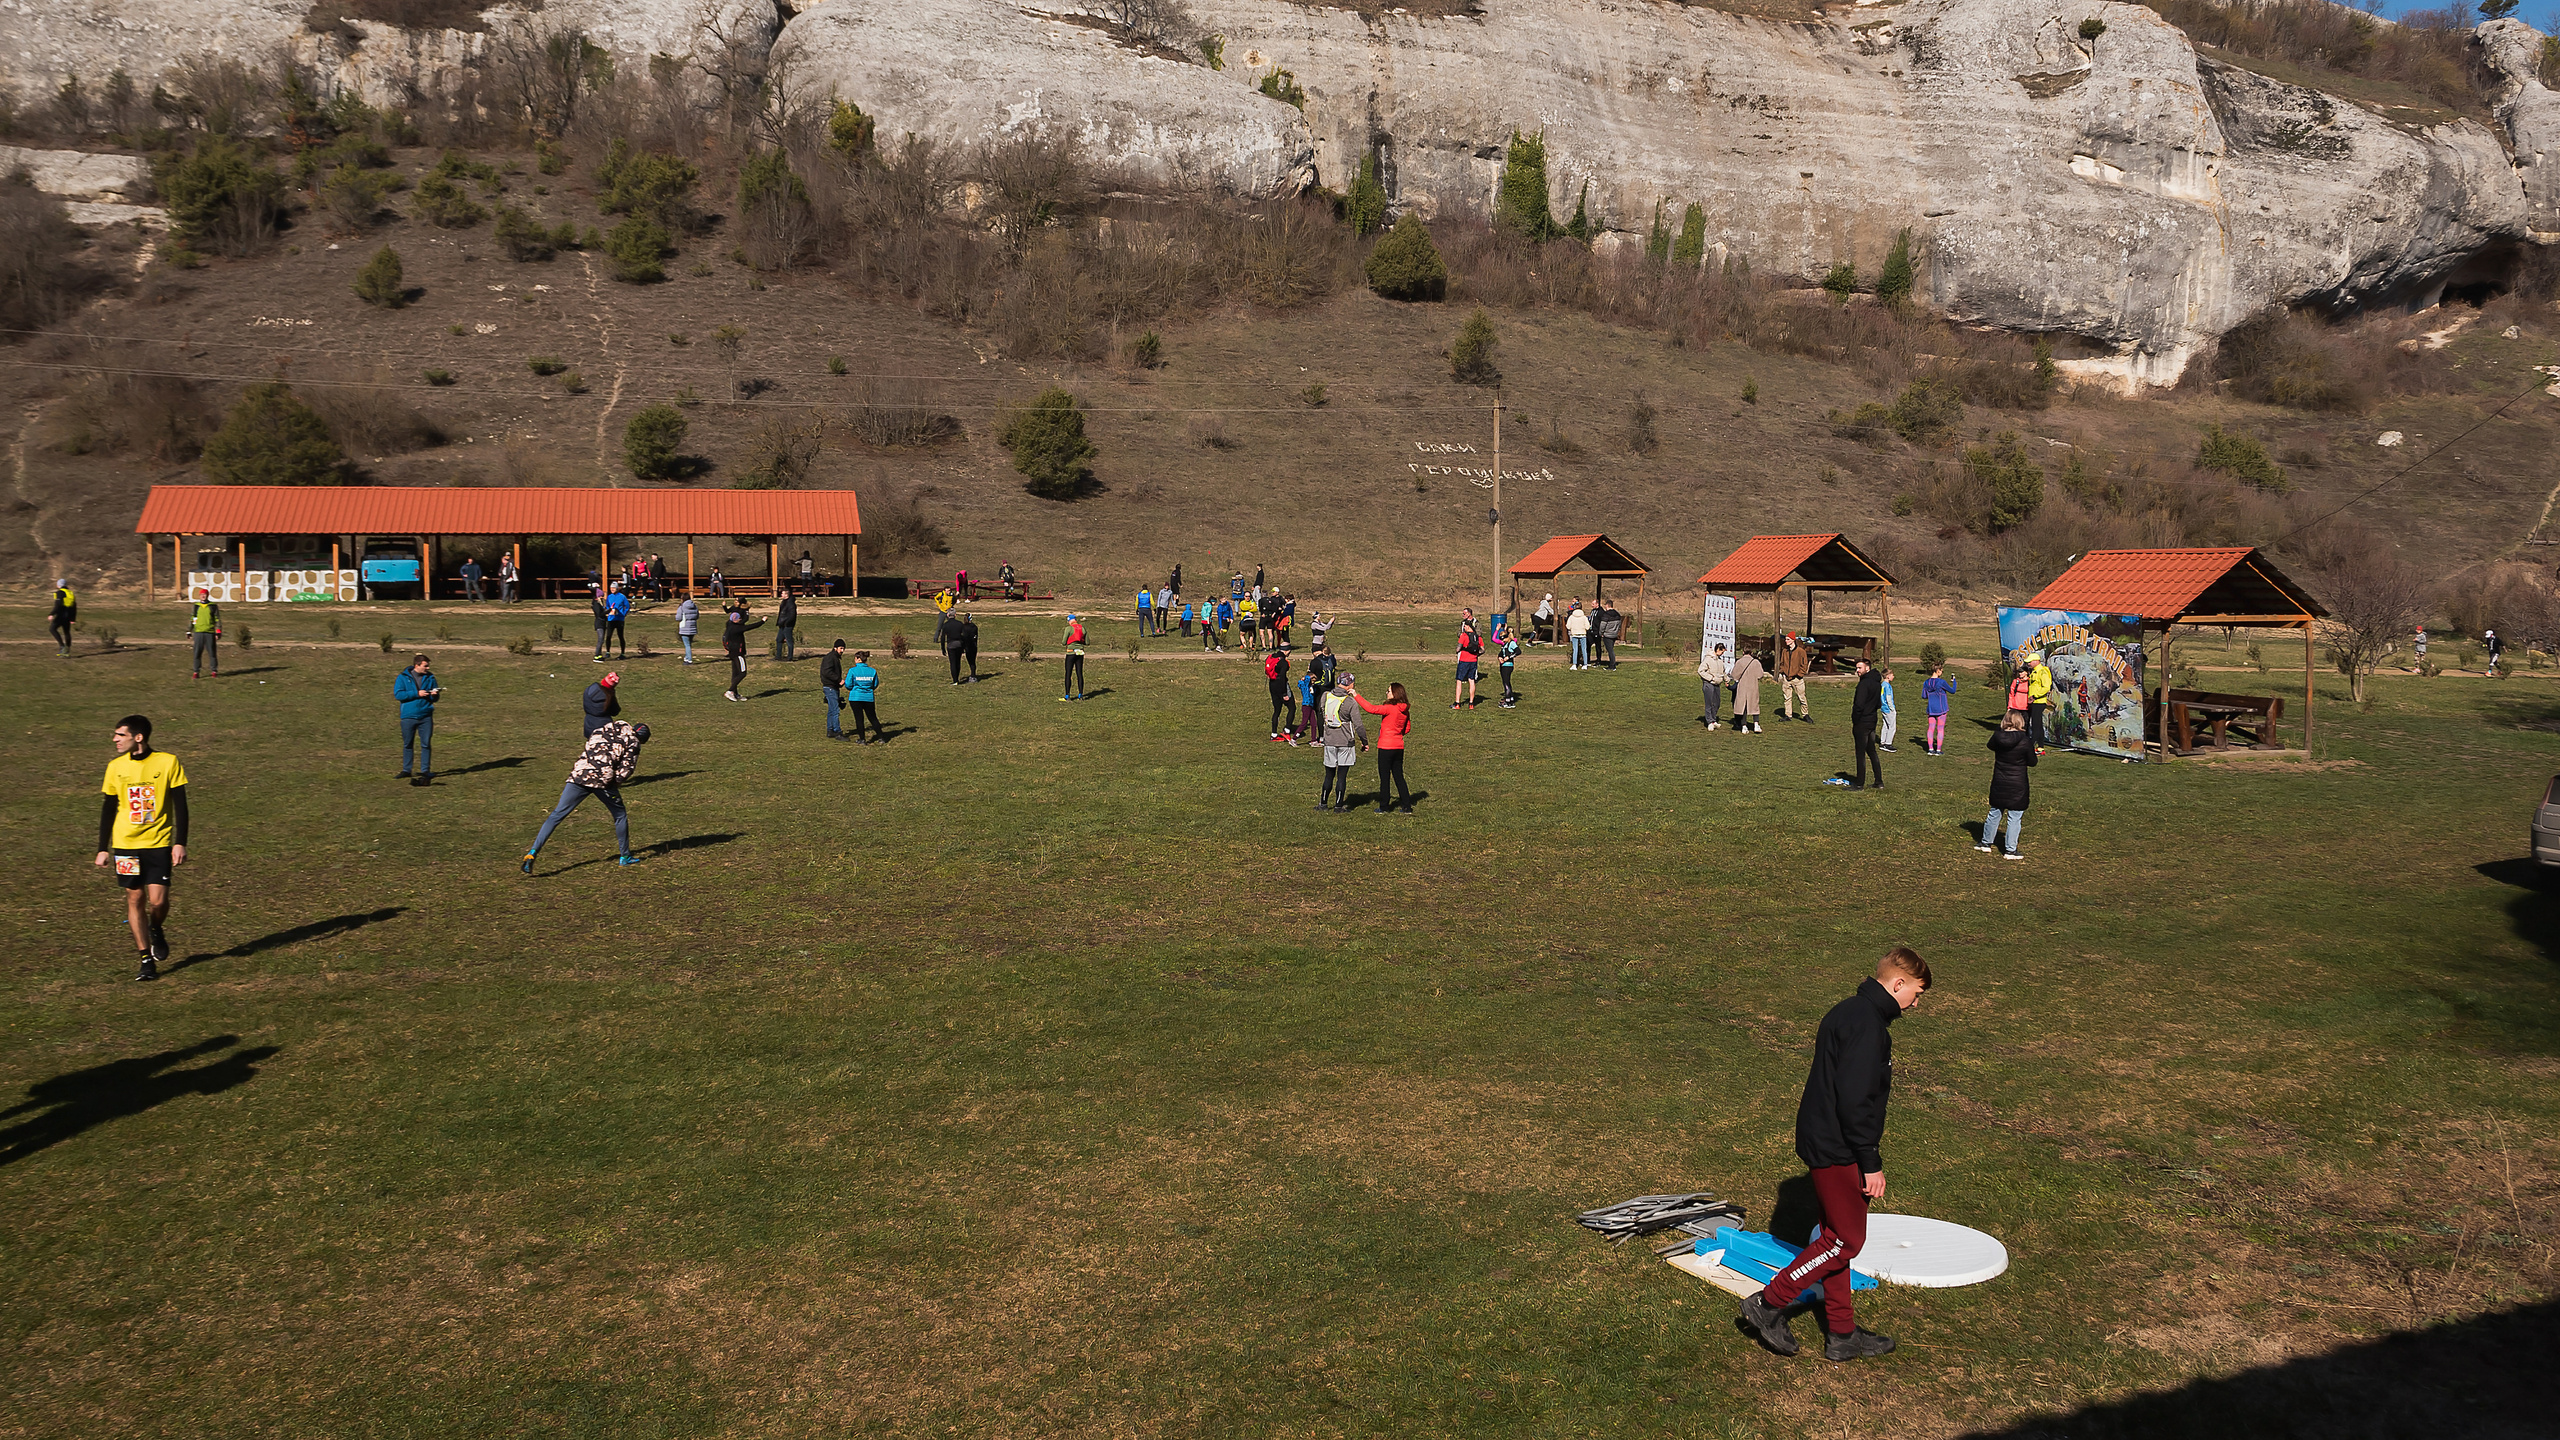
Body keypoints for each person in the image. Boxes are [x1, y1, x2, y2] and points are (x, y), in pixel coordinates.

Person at [1736, 946, 1932, 1364]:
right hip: (1838, 1146)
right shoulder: (1868, 1027)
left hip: (1825, 1138)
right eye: (1915, 994)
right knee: (1845, 1240)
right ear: (1898, 984)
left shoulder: (1848, 1011)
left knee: (1834, 1236)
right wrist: (1870, 1162)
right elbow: (1856, 1102)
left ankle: (1841, 1333)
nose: (1916, 1004)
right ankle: (1769, 1304)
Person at [96, 714, 189, 980]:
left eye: (120, 735)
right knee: (134, 897)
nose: (114, 739)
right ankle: (146, 959)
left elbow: (181, 806)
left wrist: (180, 842)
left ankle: (156, 928)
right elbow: (109, 807)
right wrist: (103, 847)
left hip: (158, 843)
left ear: (138, 737)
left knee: (158, 902)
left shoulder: (168, 762)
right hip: (125, 845)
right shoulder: (115, 767)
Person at [520, 720, 651, 873]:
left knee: (557, 815)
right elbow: (627, 768)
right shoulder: (634, 742)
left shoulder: (604, 729)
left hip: (579, 775)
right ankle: (625, 856)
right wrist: (615, 782)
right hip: (603, 781)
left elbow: (590, 745)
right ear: (641, 737)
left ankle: (532, 852)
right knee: (619, 815)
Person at [1980, 708, 2036, 858]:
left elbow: (1990, 745)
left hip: (2000, 780)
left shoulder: (1997, 737)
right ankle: (2010, 849)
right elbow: (2033, 762)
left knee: (1995, 812)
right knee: (2015, 816)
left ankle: (1986, 843)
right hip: (2017, 783)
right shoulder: (2024, 741)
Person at [1353, 679, 1414, 814]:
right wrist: (1398, 733)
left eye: (1389, 691)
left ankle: (1384, 806)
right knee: (1399, 776)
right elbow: (1407, 728)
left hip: (1386, 746)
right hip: (1398, 746)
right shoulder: (1405, 710)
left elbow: (1371, 709)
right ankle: (1407, 806)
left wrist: (1356, 695)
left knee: (1385, 777)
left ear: (1395, 694)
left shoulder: (1389, 708)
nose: (1387, 693)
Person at [1314, 672, 1367, 812]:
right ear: (1349, 684)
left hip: (1329, 740)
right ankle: (1338, 805)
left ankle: (1323, 803)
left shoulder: (1326, 696)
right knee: (1341, 775)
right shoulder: (1350, 702)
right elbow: (1359, 725)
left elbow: (1321, 711)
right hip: (1345, 741)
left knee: (1329, 774)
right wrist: (1364, 741)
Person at [395, 653, 440, 785]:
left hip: (425, 716)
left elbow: (435, 699)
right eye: (425, 666)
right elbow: (398, 694)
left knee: (426, 744)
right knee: (408, 744)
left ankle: (425, 770)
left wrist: (434, 695)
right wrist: (417, 694)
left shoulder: (430, 677)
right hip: (408, 716)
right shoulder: (403, 678)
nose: (428, 668)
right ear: (417, 665)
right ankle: (406, 769)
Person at [1848, 660, 1884, 790]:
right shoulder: (1877, 683)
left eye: (1860, 668)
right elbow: (1879, 704)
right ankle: (1878, 781)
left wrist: (1855, 719)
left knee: (1860, 753)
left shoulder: (1864, 684)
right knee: (1871, 751)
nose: (1857, 670)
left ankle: (1859, 783)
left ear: (1867, 668)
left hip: (1862, 722)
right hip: (1872, 720)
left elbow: (1859, 704)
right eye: (1856, 668)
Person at [722, 602, 760, 702]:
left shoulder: (730, 625)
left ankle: (735, 693)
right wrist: (762, 621)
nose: (741, 620)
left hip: (732, 653)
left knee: (735, 674)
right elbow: (750, 626)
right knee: (743, 672)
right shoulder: (737, 628)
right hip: (738, 653)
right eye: (739, 618)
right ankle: (730, 691)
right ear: (736, 620)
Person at [845, 649, 884, 742]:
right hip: (869, 697)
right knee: (873, 717)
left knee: (859, 719)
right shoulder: (872, 671)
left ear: (858, 659)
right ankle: (881, 737)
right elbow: (875, 684)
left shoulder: (852, 670)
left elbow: (848, 684)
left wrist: (853, 688)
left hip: (856, 697)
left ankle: (862, 739)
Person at [1922, 664, 1956, 756]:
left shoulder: (1926, 682)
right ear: (1938, 671)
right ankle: (1938, 750)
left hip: (1931, 708)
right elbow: (1952, 691)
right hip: (1941, 708)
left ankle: (1930, 749)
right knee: (1940, 729)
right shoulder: (1941, 682)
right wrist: (1954, 682)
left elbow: (1924, 696)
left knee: (1930, 728)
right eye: (1941, 671)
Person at [1730, 645, 1766, 733]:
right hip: (1753, 686)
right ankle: (1756, 724)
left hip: (1742, 687)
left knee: (1743, 707)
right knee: (1754, 705)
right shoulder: (1756, 662)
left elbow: (1734, 675)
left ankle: (1744, 725)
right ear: (1751, 652)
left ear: (1743, 652)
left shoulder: (1739, 662)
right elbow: (1760, 675)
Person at [1778, 633, 1812, 723]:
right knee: (1787, 698)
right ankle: (1788, 715)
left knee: (1802, 698)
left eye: (1788, 639)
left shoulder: (1801, 651)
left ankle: (1805, 714)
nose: (1786, 641)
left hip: (1797, 679)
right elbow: (1782, 663)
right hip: (1786, 678)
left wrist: (1799, 674)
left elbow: (1804, 664)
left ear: (1793, 640)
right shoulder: (1784, 651)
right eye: (1786, 639)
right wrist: (1782, 672)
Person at [818, 639, 848, 739]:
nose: (842, 651)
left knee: (831, 710)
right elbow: (827, 672)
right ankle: (837, 731)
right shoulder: (830, 658)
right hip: (830, 687)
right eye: (841, 648)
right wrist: (838, 680)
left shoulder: (833, 657)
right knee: (835, 710)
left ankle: (830, 730)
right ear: (835, 648)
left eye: (843, 648)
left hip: (831, 687)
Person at [188, 587, 221, 679]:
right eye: (201, 595)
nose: (203, 596)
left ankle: (214, 671)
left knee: (212, 652)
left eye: (205, 594)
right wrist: (189, 630)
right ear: (199, 596)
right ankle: (196, 671)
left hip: (209, 632)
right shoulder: (196, 606)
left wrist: (218, 631)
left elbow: (217, 619)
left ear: (207, 595)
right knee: (197, 653)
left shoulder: (213, 606)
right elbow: (193, 618)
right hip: (198, 632)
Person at [1452, 613, 1483, 709]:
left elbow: (1458, 648)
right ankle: (1471, 703)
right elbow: (1483, 649)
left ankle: (1457, 703)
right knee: (1472, 680)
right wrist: (1476, 654)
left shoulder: (1464, 636)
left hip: (1464, 660)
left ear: (1468, 626)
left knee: (1459, 681)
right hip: (1473, 661)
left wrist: (1458, 650)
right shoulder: (1478, 637)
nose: (1464, 628)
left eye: (1465, 626)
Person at [2026, 651, 2054, 752]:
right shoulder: (2034, 671)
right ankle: (2040, 746)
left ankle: (2031, 745)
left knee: (2035, 724)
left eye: (2030, 661)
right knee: (2038, 724)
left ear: (2036, 661)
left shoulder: (2042, 671)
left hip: (2039, 701)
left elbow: (2046, 687)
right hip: (2034, 702)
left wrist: (2035, 696)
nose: (2028, 663)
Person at [1265, 645, 1294, 740]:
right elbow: (1282, 678)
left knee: (1277, 710)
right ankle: (1287, 730)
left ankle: (1273, 734)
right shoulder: (1283, 662)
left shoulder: (1271, 657)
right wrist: (1284, 694)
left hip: (1272, 685)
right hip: (1281, 686)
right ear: (1287, 651)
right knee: (1292, 708)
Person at [1700, 642, 1729, 729]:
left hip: (1717, 684)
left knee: (1717, 703)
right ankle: (1709, 722)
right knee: (1709, 703)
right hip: (1709, 684)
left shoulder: (1720, 661)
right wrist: (1710, 678)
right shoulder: (1708, 660)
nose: (1722, 654)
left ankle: (1713, 719)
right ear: (1718, 650)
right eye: (1722, 652)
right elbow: (1701, 671)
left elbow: (1723, 672)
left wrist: (1726, 679)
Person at [584, 670, 621, 736]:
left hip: (589, 725)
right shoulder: (609, 698)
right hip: (604, 728)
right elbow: (615, 711)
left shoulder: (589, 690)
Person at [1061, 614, 1088, 700]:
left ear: (1069, 621)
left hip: (1070, 653)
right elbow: (1087, 642)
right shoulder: (1082, 628)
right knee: (1079, 673)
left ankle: (1067, 695)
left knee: (1068, 673)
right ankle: (1080, 695)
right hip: (1080, 653)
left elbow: (1064, 642)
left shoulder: (1068, 629)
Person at [604, 585, 632, 659]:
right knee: (608, 636)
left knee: (620, 636)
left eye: (614, 588)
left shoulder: (622, 597)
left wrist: (623, 614)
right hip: (611, 619)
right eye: (611, 588)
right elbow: (607, 606)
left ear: (617, 588)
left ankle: (622, 653)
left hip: (620, 619)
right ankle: (607, 652)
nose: (612, 589)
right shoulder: (609, 597)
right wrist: (609, 611)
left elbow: (627, 607)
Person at [49, 578, 76, 655]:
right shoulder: (70, 593)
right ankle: (67, 650)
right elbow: (74, 606)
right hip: (68, 615)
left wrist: (52, 614)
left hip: (61, 615)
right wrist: (73, 618)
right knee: (67, 632)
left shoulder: (60, 593)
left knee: (52, 629)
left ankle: (62, 646)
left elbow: (58, 605)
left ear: (58, 585)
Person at [1498, 628, 1522, 708]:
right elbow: (1501, 653)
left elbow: (1518, 651)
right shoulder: (1505, 645)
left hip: (1508, 665)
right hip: (1503, 665)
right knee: (1506, 682)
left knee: (1506, 683)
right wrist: (1500, 657)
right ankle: (1510, 699)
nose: (1503, 641)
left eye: (1504, 639)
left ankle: (1508, 701)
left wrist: (1508, 657)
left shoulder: (1511, 643)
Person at [1595, 600, 1622, 669]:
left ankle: (1612, 665)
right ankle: (1612, 663)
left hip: (1607, 634)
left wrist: (1601, 633)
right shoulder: (1617, 614)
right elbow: (1619, 625)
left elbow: (1602, 625)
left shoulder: (1606, 615)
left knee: (1610, 650)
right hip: (1614, 634)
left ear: (1607, 605)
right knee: (1611, 649)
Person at [1877, 667, 1898, 752]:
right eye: (1892, 675)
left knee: (1885, 725)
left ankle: (1882, 742)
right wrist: (1892, 709)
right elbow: (1888, 698)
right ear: (1888, 676)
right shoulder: (1888, 686)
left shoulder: (1882, 685)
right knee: (1892, 727)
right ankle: (1888, 743)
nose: (1893, 676)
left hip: (1883, 708)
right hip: (1888, 709)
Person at [1565, 600, 1591, 670]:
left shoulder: (1571, 617)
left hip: (1574, 634)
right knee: (1584, 649)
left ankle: (1574, 664)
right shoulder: (1584, 617)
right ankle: (1585, 664)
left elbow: (1568, 626)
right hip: (1582, 634)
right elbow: (1588, 626)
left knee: (1575, 649)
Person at [957, 608, 981, 682]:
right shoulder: (974, 627)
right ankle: (973, 675)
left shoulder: (963, 627)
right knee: (973, 662)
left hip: (966, 646)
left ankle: (971, 675)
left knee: (969, 661)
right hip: (973, 646)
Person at [676, 594, 701, 664]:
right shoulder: (694, 606)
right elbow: (697, 616)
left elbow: (678, 618)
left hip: (684, 627)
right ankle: (686, 658)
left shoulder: (681, 607)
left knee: (687, 645)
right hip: (693, 627)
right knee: (689, 644)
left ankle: (689, 660)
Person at [775, 592, 800, 661]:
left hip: (788, 625)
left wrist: (786, 622)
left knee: (789, 641)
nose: (781, 595)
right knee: (779, 640)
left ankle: (790, 657)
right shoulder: (784, 602)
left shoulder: (791, 604)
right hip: (782, 625)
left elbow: (792, 615)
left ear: (786, 595)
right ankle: (778, 656)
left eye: (782, 594)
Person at [589, 586, 611, 661]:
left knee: (601, 640)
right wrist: (609, 610)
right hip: (599, 624)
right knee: (600, 639)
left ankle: (599, 655)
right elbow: (600, 614)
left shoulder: (600, 605)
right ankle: (596, 655)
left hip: (603, 623)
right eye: (601, 596)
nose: (602, 597)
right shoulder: (596, 605)